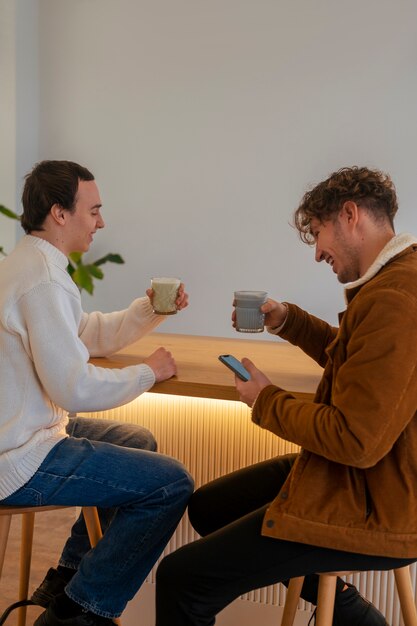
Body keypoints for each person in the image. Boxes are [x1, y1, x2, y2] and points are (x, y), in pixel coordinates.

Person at [155, 166, 417, 626]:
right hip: (367, 481)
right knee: (209, 507)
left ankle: (356, 617)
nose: (318, 253)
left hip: (379, 503)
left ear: (350, 215)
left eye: (318, 234)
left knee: (182, 577)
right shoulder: (394, 281)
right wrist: (287, 321)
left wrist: (265, 399)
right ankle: (353, 615)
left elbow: (356, 441)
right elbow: (358, 360)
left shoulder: (395, 299)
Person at [0, 160, 194, 626]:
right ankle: (78, 611)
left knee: (137, 440)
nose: (101, 222)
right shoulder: (42, 279)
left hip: (29, 435)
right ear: (59, 213)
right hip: (20, 456)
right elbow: (73, 386)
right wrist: (146, 374)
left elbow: (81, 334)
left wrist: (149, 311)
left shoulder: (32, 262)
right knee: (171, 483)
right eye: (94, 210)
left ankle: (66, 579)